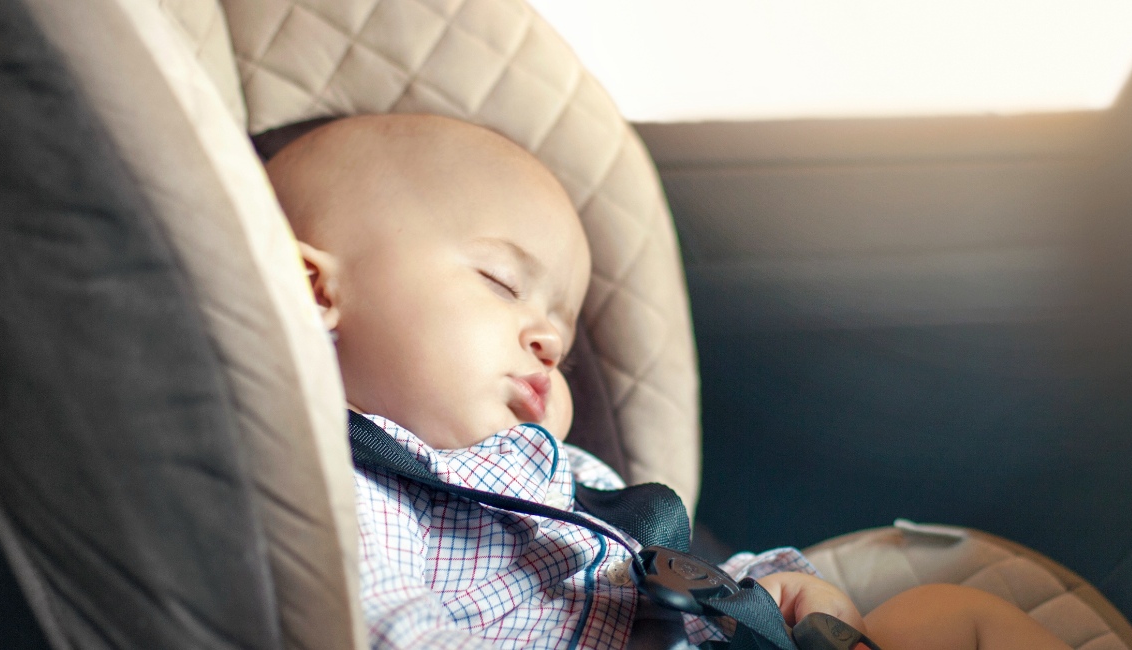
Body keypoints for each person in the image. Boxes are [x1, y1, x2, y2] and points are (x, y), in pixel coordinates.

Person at [266, 113, 1070, 650]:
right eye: (501, 283)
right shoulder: (332, 490)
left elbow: (661, 566)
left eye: (567, 339)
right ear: (316, 290)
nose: (548, 340)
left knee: (950, 617)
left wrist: (780, 588)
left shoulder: (576, 481)